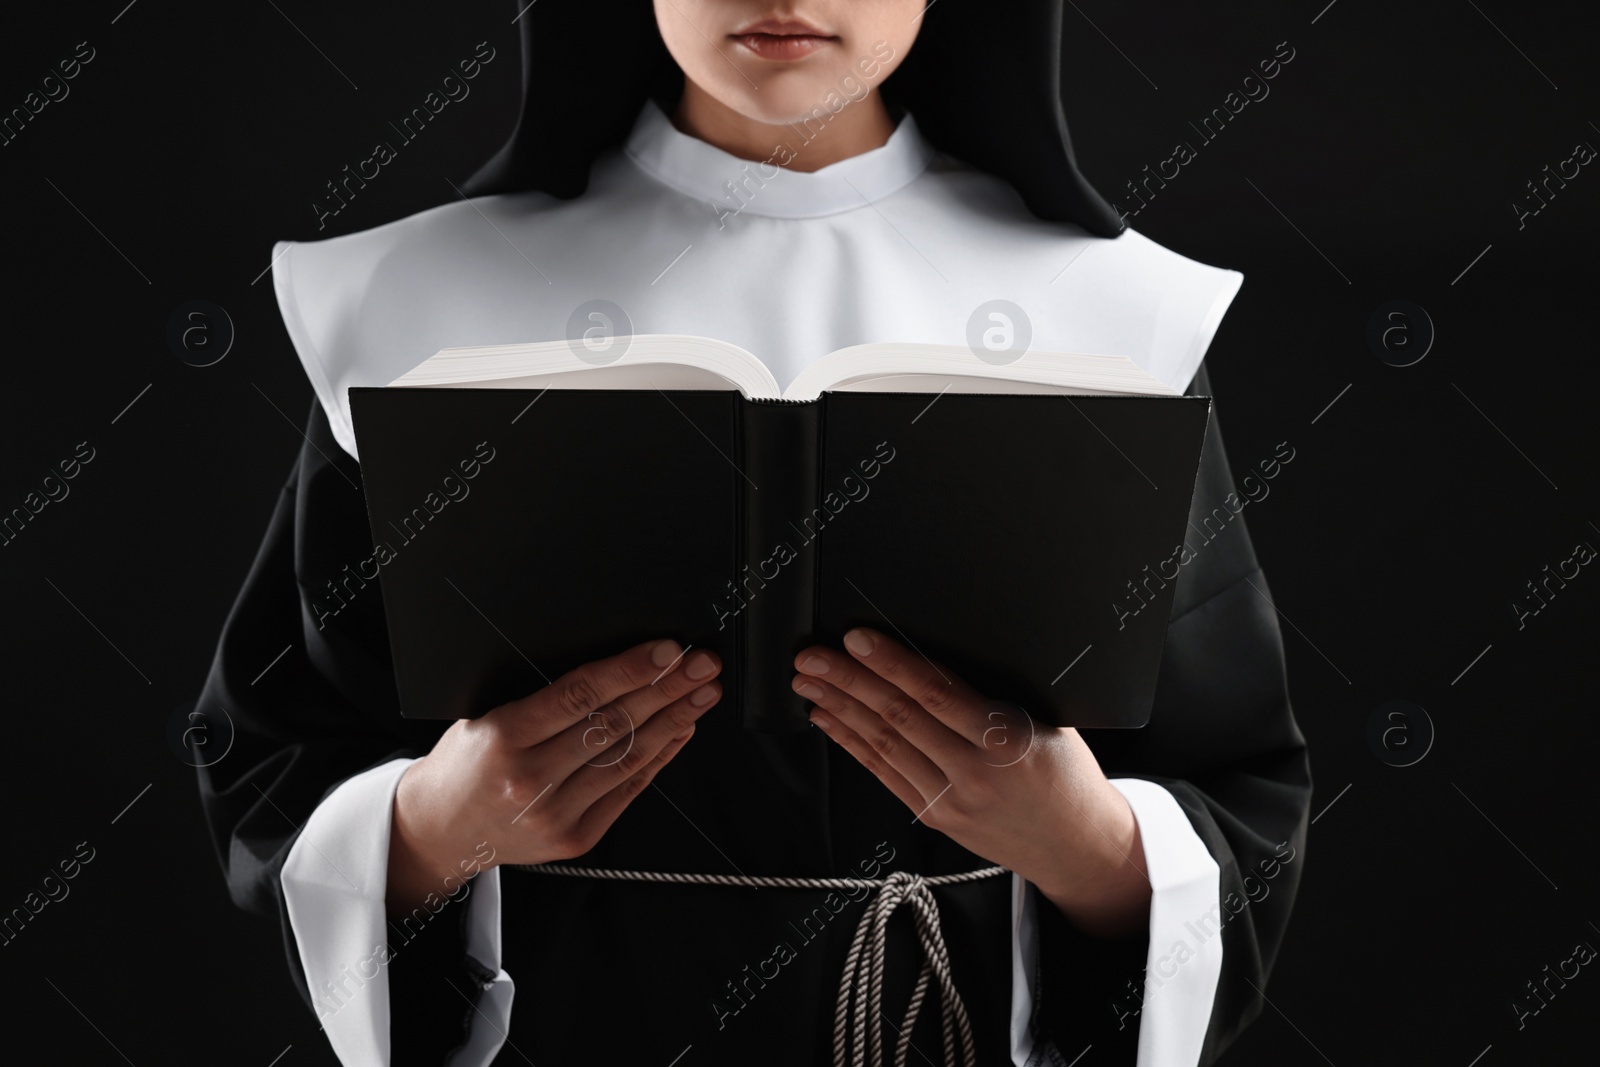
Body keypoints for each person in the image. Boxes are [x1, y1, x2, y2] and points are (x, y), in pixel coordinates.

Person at [195, 2, 1311, 1064]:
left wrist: (1090, 846)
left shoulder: (1108, 315)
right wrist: (437, 827)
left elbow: (1236, 780)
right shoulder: (413, 300)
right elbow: (270, 751)